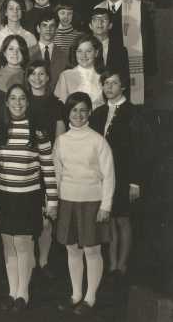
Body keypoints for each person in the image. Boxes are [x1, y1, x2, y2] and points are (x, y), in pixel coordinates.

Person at [0, 84, 57, 312]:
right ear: (6, 103)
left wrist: (53, 202)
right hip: (3, 196)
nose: (17, 103)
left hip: (28, 197)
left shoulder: (38, 132)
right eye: (13, 99)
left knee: (23, 244)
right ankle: (11, 291)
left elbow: (48, 169)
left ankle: (23, 293)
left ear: (28, 103)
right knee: (8, 243)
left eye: (22, 99)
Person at [54, 91, 114, 317]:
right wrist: (54, 203)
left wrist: (105, 206)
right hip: (68, 201)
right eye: (74, 110)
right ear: (67, 113)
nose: (78, 114)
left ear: (89, 112)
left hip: (92, 202)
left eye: (82, 110)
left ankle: (91, 297)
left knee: (92, 249)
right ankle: (76, 294)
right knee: (72, 249)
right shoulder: (61, 141)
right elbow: (57, 175)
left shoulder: (98, 140)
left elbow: (109, 175)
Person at [89, 70, 145, 280]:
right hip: (103, 175)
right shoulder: (98, 112)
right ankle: (111, 264)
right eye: (105, 83)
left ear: (123, 87)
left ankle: (122, 265)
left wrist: (135, 182)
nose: (109, 87)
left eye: (114, 83)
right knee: (110, 220)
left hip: (124, 174)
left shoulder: (133, 112)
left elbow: (139, 149)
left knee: (123, 219)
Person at [26, 60, 66, 277]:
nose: (37, 78)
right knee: (29, 215)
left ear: (48, 77)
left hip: (48, 165)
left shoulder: (57, 104)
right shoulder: (21, 101)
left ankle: (43, 261)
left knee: (47, 218)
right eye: (33, 74)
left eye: (42, 74)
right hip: (26, 164)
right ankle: (30, 261)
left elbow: (59, 138)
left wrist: (51, 163)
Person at [94, 0, 157, 105]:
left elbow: (148, 40)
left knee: (130, 108)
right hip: (105, 67)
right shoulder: (98, 9)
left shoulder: (138, 7)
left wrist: (148, 72)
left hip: (129, 68)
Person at [55, 34, 105, 109]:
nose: (83, 56)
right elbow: (62, 105)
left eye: (88, 51)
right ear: (75, 53)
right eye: (79, 51)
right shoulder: (65, 75)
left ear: (96, 53)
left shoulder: (104, 75)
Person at [89, 8, 129, 93]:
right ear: (90, 25)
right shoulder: (81, 47)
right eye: (96, 19)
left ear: (110, 25)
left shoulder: (121, 50)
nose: (100, 23)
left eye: (104, 19)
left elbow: (124, 78)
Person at [29, 11, 69, 91]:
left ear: (56, 29)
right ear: (38, 28)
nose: (48, 29)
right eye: (44, 25)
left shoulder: (64, 55)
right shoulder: (28, 53)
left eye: (52, 26)